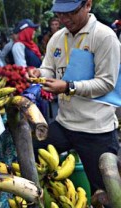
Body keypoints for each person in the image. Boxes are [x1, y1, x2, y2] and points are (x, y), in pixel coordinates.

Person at [28, 0, 120, 199]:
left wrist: (69, 87)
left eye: (70, 12)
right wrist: (38, 72)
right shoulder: (58, 38)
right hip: (65, 124)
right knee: (29, 150)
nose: (64, 19)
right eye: (60, 14)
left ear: (88, 5)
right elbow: (48, 67)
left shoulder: (105, 37)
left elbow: (106, 83)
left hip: (97, 130)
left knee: (106, 193)